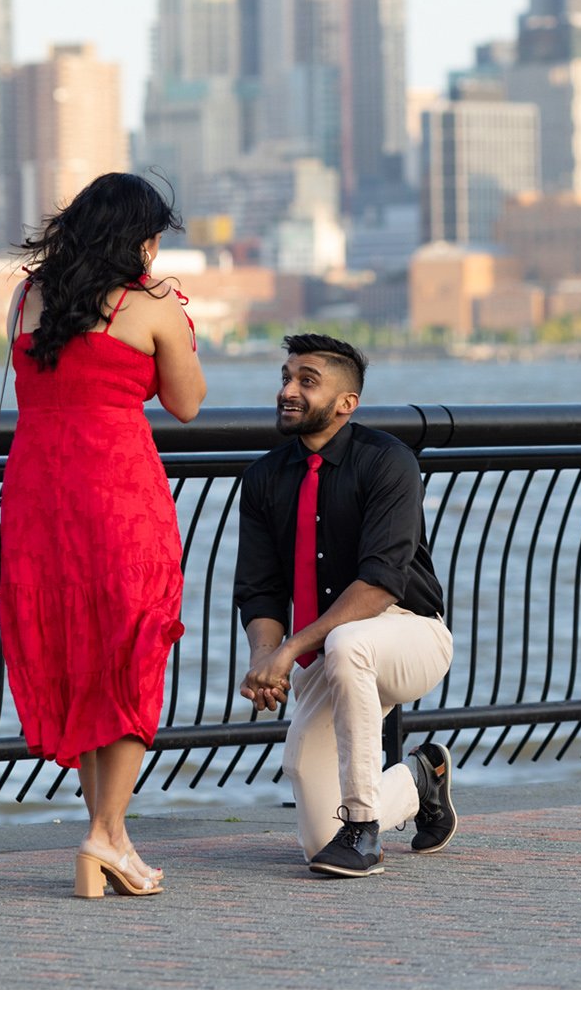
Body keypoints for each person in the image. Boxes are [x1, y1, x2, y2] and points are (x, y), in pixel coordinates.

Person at [0, 172, 205, 900]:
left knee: (81, 653)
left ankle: (110, 838)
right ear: (139, 239)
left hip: (38, 497)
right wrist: (180, 321)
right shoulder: (152, 305)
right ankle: (103, 835)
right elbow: (186, 404)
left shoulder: (29, 298)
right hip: (118, 495)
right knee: (132, 650)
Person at [235, 333, 458, 877]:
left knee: (349, 640)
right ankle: (420, 779)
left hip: (408, 633)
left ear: (345, 403)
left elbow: (380, 584)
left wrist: (290, 649)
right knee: (317, 843)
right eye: (286, 377)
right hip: (327, 647)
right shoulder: (264, 477)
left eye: (306, 382)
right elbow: (260, 589)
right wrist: (267, 659)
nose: (288, 390)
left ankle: (362, 828)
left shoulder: (388, 462)